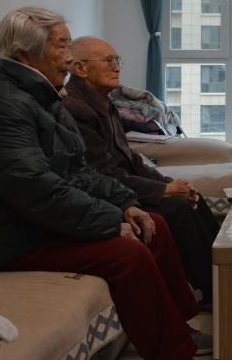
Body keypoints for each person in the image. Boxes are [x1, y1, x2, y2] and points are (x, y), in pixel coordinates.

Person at [0, 7, 211, 360]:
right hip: (7, 242)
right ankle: (175, 350)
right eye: (61, 46)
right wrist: (109, 222)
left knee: (152, 223)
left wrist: (125, 204)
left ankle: (181, 326)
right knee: (127, 254)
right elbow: (38, 190)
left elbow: (79, 170)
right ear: (24, 54)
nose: (68, 57)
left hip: (33, 224)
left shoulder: (43, 97)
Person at [65, 36, 219, 306]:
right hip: (108, 195)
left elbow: (132, 161)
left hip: (124, 185)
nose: (117, 67)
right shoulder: (76, 110)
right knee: (178, 209)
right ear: (80, 68)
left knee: (194, 199)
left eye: (117, 60)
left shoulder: (105, 103)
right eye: (108, 61)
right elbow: (104, 173)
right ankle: (211, 289)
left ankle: (223, 275)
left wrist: (169, 183)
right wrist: (163, 191)